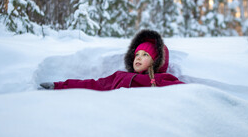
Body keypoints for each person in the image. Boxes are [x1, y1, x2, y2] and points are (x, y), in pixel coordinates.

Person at [40, 29, 184, 91]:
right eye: (137, 54)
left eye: (145, 55)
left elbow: (189, 94)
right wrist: (59, 85)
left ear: (156, 61)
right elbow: (92, 84)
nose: (139, 57)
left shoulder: (163, 79)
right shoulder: (120, 77)